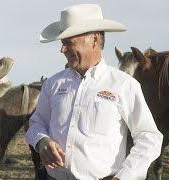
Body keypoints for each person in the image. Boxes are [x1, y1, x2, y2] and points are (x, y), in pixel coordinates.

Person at [25, 4, 163, 180]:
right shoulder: (53, 84)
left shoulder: (124, 85)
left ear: (94, 40)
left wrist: (126, 176)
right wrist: (42, 141)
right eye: (62, 43)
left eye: (69, 42)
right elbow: (36, 123)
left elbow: (149, 137)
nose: (62, 49)